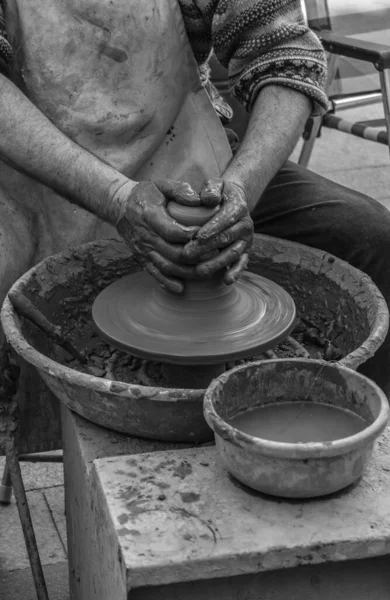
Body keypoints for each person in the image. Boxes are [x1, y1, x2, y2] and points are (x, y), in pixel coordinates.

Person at [0, 0, 389, 400]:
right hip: (34, 171)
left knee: (366, 234)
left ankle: (344, 425)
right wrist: (118, 197)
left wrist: (241, 188)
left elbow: (284, 53)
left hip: (188, 155)